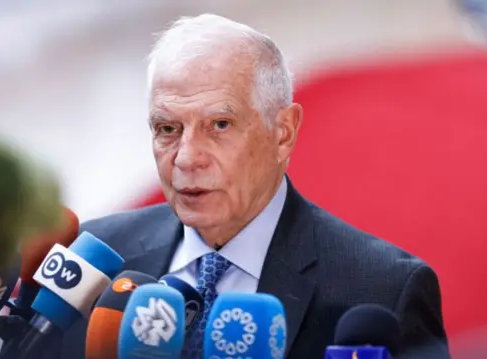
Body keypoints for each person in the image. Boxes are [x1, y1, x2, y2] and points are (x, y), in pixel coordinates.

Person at [59, 13, 450, 358]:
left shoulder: (381, 289)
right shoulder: (91, 262)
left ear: (282, 133)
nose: (186, 157)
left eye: (220, 126)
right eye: (167, 129)